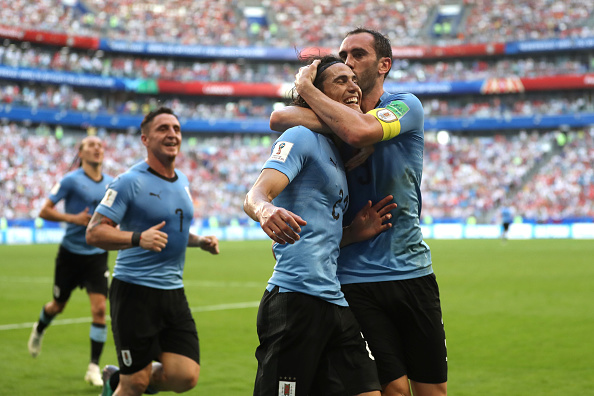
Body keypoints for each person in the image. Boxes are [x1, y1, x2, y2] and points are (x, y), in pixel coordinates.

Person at [270, 28, 448, 396]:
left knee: (433, 392)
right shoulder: (342, 123)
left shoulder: (406, 106)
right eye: (343, 54)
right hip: (354, 277)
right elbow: (278, 119)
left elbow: (359, 129)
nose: (348, 61)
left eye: (358, 55)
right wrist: (353, 128)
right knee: (392, 390)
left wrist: (360, 129)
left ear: (384, 65)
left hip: (412, 268)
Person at [245, 55, 398, 396]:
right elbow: (256, 193)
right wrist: (265, 210)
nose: (353, 86)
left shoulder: (336, 150)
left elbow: (315, 232)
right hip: (295, 301)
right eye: (340, 81)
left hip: (334, 301)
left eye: (353, 79)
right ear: (315, 93)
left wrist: (352, 234)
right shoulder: (300, 136)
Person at [86, 107, 219, 396]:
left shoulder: (183, 180)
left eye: (176, 128)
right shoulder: (128, 181)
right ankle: (122, 382)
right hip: (134, 292)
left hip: (173, 292)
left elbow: (172, 231)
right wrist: (137, 238)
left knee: (184, 377)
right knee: (135, 383)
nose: (172, 134)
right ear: (145, 139)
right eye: (163, 129)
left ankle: (116, 378)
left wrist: (198, 242)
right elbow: (94, 231)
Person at [27, 135, 114, 387]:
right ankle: (40, 328)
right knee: (57, 305)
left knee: (99, 309)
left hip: (97, 255)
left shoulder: (111, 183)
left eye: (100, 145)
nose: (97, 148)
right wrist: (74, 219)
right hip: (70, 255)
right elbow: (44, 210)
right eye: (91, 145)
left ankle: (93, 368)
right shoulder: (70, 180)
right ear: (81, 153)